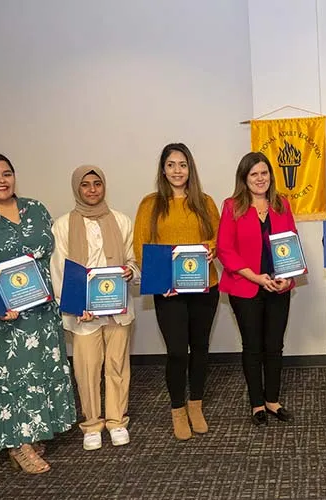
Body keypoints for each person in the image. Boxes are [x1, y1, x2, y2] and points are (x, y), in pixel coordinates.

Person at [0, 153, 76, 474]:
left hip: (41, 313)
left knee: (40, 372)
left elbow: (53, 257)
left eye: (7, 173)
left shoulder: (34, 209)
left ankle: (33, 432)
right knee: (11, 378)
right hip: (2, 320)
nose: (1, 180)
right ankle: (17, 445)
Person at [133, 143, 220, 440]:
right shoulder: (150, 204)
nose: (177, 171)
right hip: (169, 291)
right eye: (171, 165)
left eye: (182, 164)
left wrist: (210, 250)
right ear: (163, 169)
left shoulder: (205, 202)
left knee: (200, 348)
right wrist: (159, 283)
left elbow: (216, 238)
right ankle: (177, 409)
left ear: (190, 168)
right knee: (176, 351)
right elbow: (141, 248)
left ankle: (196, 404)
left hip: (205, 286)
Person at [51, 165, 139, 450]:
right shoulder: (63, 225)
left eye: (97, 184)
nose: (92, 190)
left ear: (104, 186)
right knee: (86, 368)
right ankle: (91, 424)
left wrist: (130, 271)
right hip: (84, 314)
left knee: (117, 365)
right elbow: (59, 271)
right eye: (86, 185)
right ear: (77, 188)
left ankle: (116, 421)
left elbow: (133, 259)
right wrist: (76, 306)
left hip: (117, 308)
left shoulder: (122, 221)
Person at [217, 152, 297, 426]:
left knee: (275, 346)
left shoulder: (281, 204)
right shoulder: (232, 206)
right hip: (245, 287)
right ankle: (256, 404)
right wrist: (256, 278)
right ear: (244, 178)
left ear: (270, 176)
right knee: (252, 347)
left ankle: (273, 401)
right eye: (254, 174)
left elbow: (292, 244)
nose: (260, 179)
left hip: (279, 286)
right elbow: (225, 250)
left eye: (264, 173)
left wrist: (288, 277)